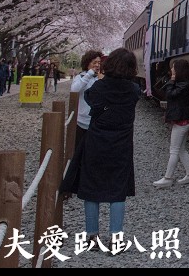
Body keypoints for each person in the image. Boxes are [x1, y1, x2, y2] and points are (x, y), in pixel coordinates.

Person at [60, 47, 141, 252]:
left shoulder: (98, 88)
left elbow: (89, 99)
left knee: (92, 189)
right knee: (117, 191)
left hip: (96, 141)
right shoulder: (133, 89)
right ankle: (115, 238)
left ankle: (92, 237)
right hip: (122, 144)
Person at [153, 58, 189, 187]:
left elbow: (169, 94)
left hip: (181, 121)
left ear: (178, 70)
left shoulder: (183, 85)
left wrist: (172, 79)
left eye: (173, 67)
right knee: (181, 149)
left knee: (174, 150)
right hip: (183, 119)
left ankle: (168, 178)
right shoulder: (184, 84)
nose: (171, 69)